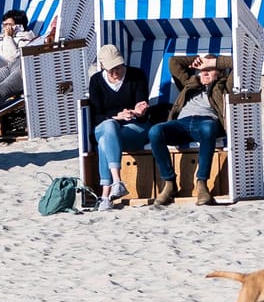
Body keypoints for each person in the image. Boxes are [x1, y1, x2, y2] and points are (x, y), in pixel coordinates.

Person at [150, 54, 230, 206]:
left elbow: (238, 62)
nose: (204, 73)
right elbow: (174, 62)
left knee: (208, 127)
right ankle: (169, 183)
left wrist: (214, 61)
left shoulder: (224, 85)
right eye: (202, 70)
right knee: (155, 131)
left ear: (219, 72)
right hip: (182, 123)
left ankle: (201, 184)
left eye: (209, 69)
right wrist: (199, 61)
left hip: (206, 122)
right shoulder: (190, 83)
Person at [86, 44, 156, 211]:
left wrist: (136, 111)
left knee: (104, 142)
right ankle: (117, 181)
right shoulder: (96, 81)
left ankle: (105, 196)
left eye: (118, 67)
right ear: (103, 66)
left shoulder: (136, 75)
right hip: (106, 125)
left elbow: (141, 108)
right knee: (109, 126)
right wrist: (118, 116)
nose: (116, 72)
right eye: (111, 69)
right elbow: (97, 116)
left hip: (133, 127)